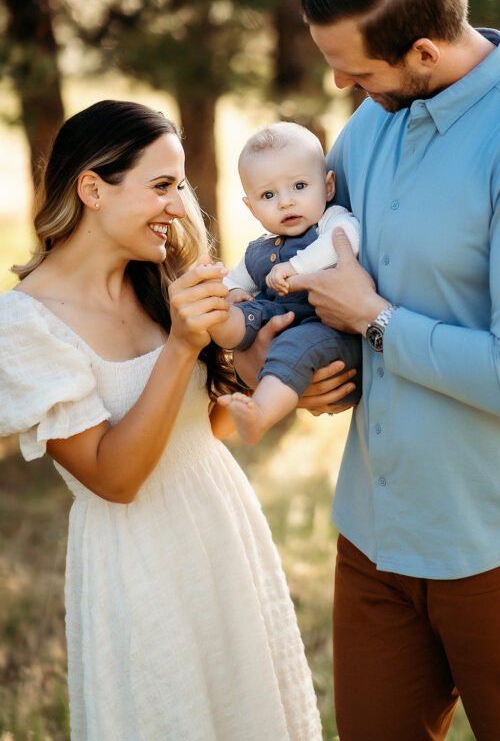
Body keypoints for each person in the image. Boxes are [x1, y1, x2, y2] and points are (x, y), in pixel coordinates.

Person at [284, 0, 500, 741]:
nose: (338, 84)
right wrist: (328, 365)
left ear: (423, 53)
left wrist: (376, 320)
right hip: (377, 533)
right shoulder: (372, 124)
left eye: (355, 69)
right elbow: (331, 265)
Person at [0, 100, 354, 741]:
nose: (178, 204)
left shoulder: (160, 280)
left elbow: (200, 429)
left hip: (223, 527)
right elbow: (116, 478)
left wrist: (276, 387)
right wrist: (182, 345)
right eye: (161, 185)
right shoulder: (25, 326)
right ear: (92, 189)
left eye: (180, 185)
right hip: (139, 563)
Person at [211, 121, 361, 444]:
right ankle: (217, 330)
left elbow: (348, 237)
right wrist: (233, 293)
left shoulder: (330, 221)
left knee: (295, 346)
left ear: (328, 186)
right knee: (243, 310)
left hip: (325, 330)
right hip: (279, 325)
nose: (285, 202)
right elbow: (236, 279)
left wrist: (297, 266)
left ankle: (260, 414)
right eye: (268, 195)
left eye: (299, 186)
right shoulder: (260, 249)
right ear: (251, 208)